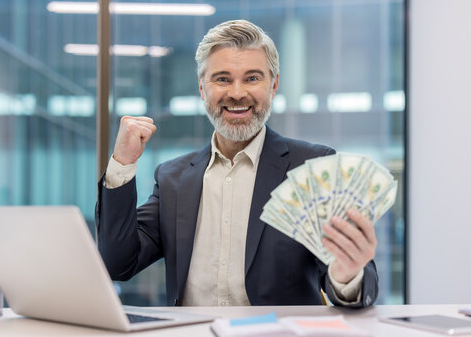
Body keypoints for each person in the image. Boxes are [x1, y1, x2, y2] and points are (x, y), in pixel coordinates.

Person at [95, 20, 378, 307]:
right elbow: (118, 263)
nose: (238, 93)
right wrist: (122, 163)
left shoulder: (312, 167)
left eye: (252, 78)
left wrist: (346, 277)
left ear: (274, 85)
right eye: (222, 79)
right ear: (202, 88)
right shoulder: (173, 178)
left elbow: (352, 278)